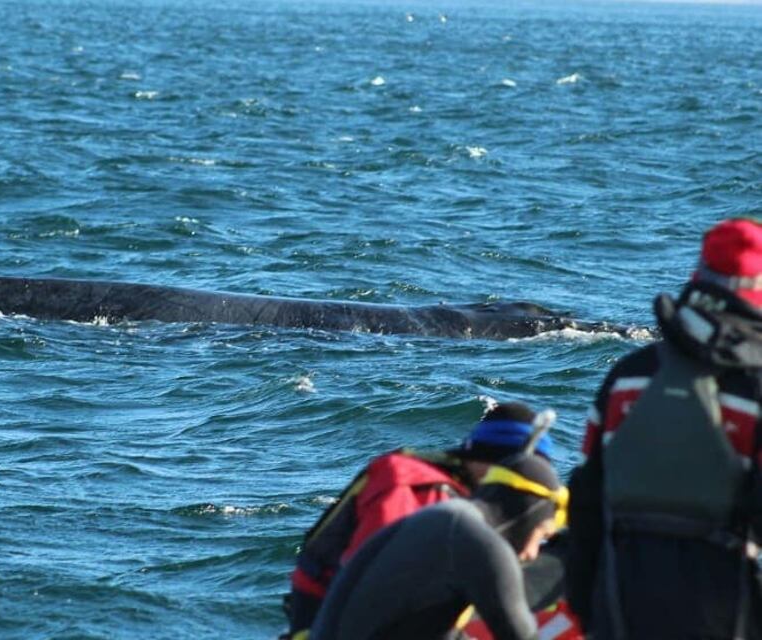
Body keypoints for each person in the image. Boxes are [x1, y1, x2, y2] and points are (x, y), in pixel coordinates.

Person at [565, 218, 762, 639]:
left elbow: (584, 499)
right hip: (721, 603)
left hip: (619, 598)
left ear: (698, 277)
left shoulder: (628, 375)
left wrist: (586, 605)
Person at [282, 402, 555, 639]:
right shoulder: (418, 487)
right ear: (496, 464)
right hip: (322, 618)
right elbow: (381, 578)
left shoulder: (460, 494)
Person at [310, 451, 568, 640]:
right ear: (527, 515)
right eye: (542, 533)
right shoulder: (482, 544)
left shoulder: (440, 518)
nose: (533, 553)